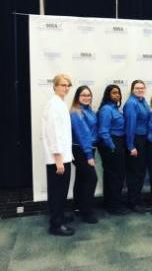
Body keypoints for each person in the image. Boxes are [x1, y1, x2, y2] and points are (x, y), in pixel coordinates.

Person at [42, 74, 74, 236]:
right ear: (55, 86)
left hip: (63, 156)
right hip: (58, 159)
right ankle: (56, 225)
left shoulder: (60, 103)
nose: (66, 88)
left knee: (61, 192)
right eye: (62, 85)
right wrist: (58, 159)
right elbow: (53, 133)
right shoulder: (54, 105)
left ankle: (59, 217)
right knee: (57, 192)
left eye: (68, 85)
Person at [98, 85, 129, 215]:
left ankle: (110, 203)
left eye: (118, 93)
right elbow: (103, 131)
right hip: (111, 144)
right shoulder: (106, 109)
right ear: (108, 95)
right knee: (116, 176)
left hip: (117, 142)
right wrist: (112, 147)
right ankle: (114, 206)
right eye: (114, 93)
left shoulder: (115, 108)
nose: (117, 95)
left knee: (113, 176)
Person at [70, 85, 98, 224]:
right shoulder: (76, 112)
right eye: (83, 95)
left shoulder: (89, 111)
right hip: (80, 149)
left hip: (88, 147)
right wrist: (89, 155)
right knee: (92, 179)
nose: (86, 97)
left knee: (81, 178)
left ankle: (78, 207)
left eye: (88, 95)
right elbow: (83, 134)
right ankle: (87, 212)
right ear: (77, 97)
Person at [123, 80, 150, 213]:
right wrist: (131, 146)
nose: (140, 90)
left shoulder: (143, 101)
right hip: (135, 140)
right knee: (135, 173)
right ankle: (133, 202)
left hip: (144, 140)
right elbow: (130, 126)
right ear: (132, 89)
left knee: (140, 172)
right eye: (137, 88)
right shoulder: (131, 104)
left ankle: (137, 198)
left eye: (142, 87)